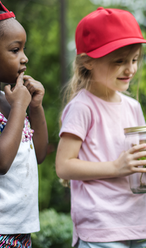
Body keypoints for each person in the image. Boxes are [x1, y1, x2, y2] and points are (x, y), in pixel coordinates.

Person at [55, 7, 146, 248]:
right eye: (120, 61)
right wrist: (117, 167)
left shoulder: (133, 106)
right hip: (101, 229)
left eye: (134, 59)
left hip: (140, 223)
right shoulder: (82, 107)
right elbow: (64, 166)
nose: (131, 69)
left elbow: (135, 162)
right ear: (88, 62)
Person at [0, 1, 48, 247]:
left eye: (24, 49)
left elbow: (38, 154)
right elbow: (2, 162)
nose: (25, 58)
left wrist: (35, 107)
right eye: (15, 50)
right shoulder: (14, 104)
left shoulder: (9, 101)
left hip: (20, 227)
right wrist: (20, 107)